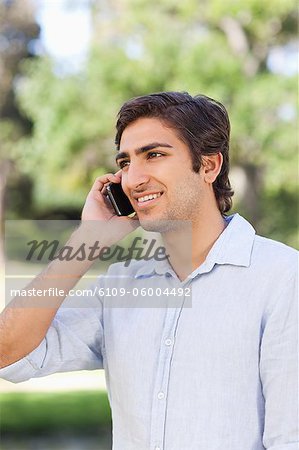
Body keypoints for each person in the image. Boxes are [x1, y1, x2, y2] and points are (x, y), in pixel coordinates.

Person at [0, 92, 297, 450]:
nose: (133, 179)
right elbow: (9, 352)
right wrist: (87, 241)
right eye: (124, 162)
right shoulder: (121, 286)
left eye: (153, 155)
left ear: (209, 166)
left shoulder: (282, 277)